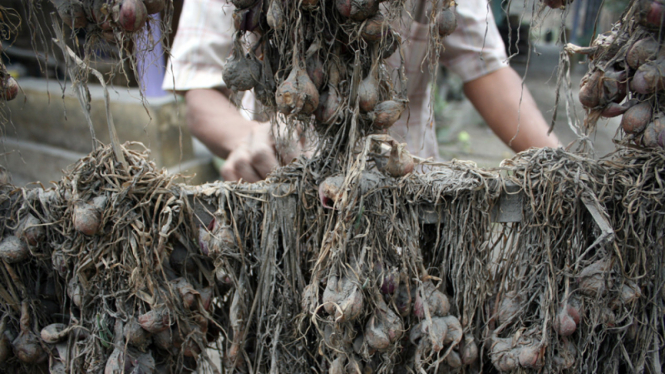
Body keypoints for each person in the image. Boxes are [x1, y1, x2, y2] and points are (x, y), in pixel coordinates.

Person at [163, 0, 560, 182]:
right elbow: (199, 88)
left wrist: (562, 168)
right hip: (280, 189)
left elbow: (486, 70)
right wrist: (245, 135)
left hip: (404, 196)